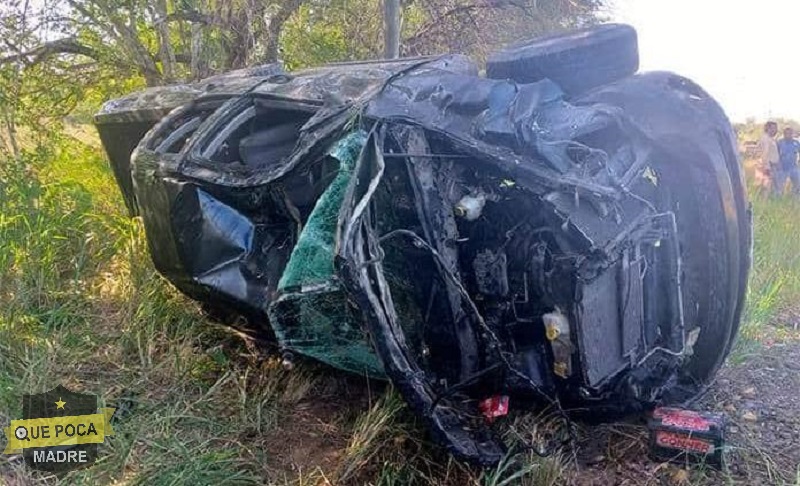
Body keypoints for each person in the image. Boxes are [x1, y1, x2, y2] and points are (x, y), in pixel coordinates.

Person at [775, 127, 800, 195]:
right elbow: (775, 154)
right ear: (784, 134)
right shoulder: (779, 143)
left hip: (794, 167)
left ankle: (795, 198)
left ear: (793, 134)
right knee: (780, 187)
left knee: (797, 185)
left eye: (790, 133)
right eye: (787, 133)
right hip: (782, 168)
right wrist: (778, 164)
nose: (789, 135)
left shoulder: (796, 142)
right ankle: (778, 200)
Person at [756, 121, 779, 194]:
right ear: (767, 128)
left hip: (772, 165)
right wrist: (766, 167)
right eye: (773, 128)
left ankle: (767, 202)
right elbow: (764, 153)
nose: (775, 130)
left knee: (770, 186)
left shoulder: (770, 138)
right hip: (769, 165)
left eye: (776, 128)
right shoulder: (766, 139)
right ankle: (764, 202)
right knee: (767, 186)